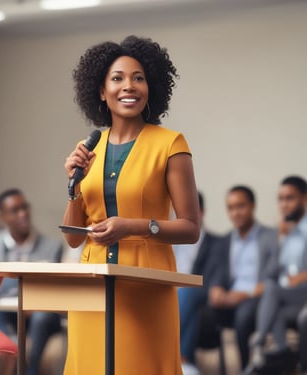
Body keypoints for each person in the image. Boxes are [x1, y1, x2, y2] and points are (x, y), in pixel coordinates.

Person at [62, 35, 200, 375]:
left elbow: (190, 228)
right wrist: (74, 185)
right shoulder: (88, 147)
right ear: (101, 90)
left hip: (145, 283)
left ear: (150, 87)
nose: (130, 86)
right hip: (91, 283)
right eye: (118, 78)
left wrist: (134, 225)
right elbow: (73, 238)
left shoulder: (170, 144)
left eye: (138, 78)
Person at [0, 188, 64, 375]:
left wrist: (34, 301)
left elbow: (52, 288)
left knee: (42, 316)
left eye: (25, 207)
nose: (23, 214)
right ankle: (13, 354)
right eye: (15, 210)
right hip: (2, 311)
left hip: (38, 313)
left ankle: (30, 371)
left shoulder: (52, 247)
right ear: (3, 216)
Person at [206, 185, 279, 371]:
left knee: (243, 315)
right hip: (230, 298)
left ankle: (246, 368)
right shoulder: (226, 240)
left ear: (252, 206)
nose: (235, 213)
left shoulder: (271, 237)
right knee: (205, 314)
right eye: (230, 208)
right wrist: (215, 288)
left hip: (256, 297)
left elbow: (275, 276)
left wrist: (243, 294)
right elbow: (218, 273)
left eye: (240, 206)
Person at [244, 176, 307, 373]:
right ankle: (280, 350)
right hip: (287, 296)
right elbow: (270, 272)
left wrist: (303, 276)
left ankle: (260, 342)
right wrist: (280, 240)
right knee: (272, 304)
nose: (284, 205)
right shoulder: (283, 232)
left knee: (271, 290)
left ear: (304, 199)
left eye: (290, 198)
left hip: (303, 291)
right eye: (280, 199)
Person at [173, 192, 221, 375]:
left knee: (187, 293)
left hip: (200, 295)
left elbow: (215, 280)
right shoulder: (167, 243)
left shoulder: (216, 243)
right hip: (171, 292)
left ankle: (181, 358)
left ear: (201, 212)